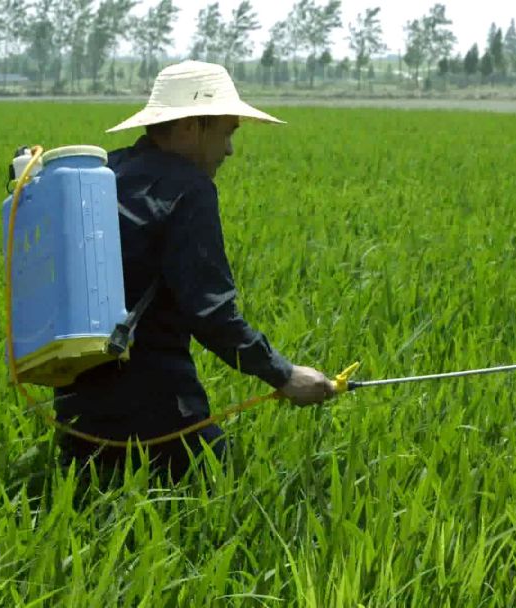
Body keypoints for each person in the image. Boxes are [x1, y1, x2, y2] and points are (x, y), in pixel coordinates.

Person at [52, 61, 336, 482]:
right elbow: (212, 313)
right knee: (223, 501)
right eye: (227, 132)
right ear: (192, 126)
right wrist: (285, 374)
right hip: (158, 418)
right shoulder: (189, 189)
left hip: (74, 414)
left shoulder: (104, 174)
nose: (229, 150)